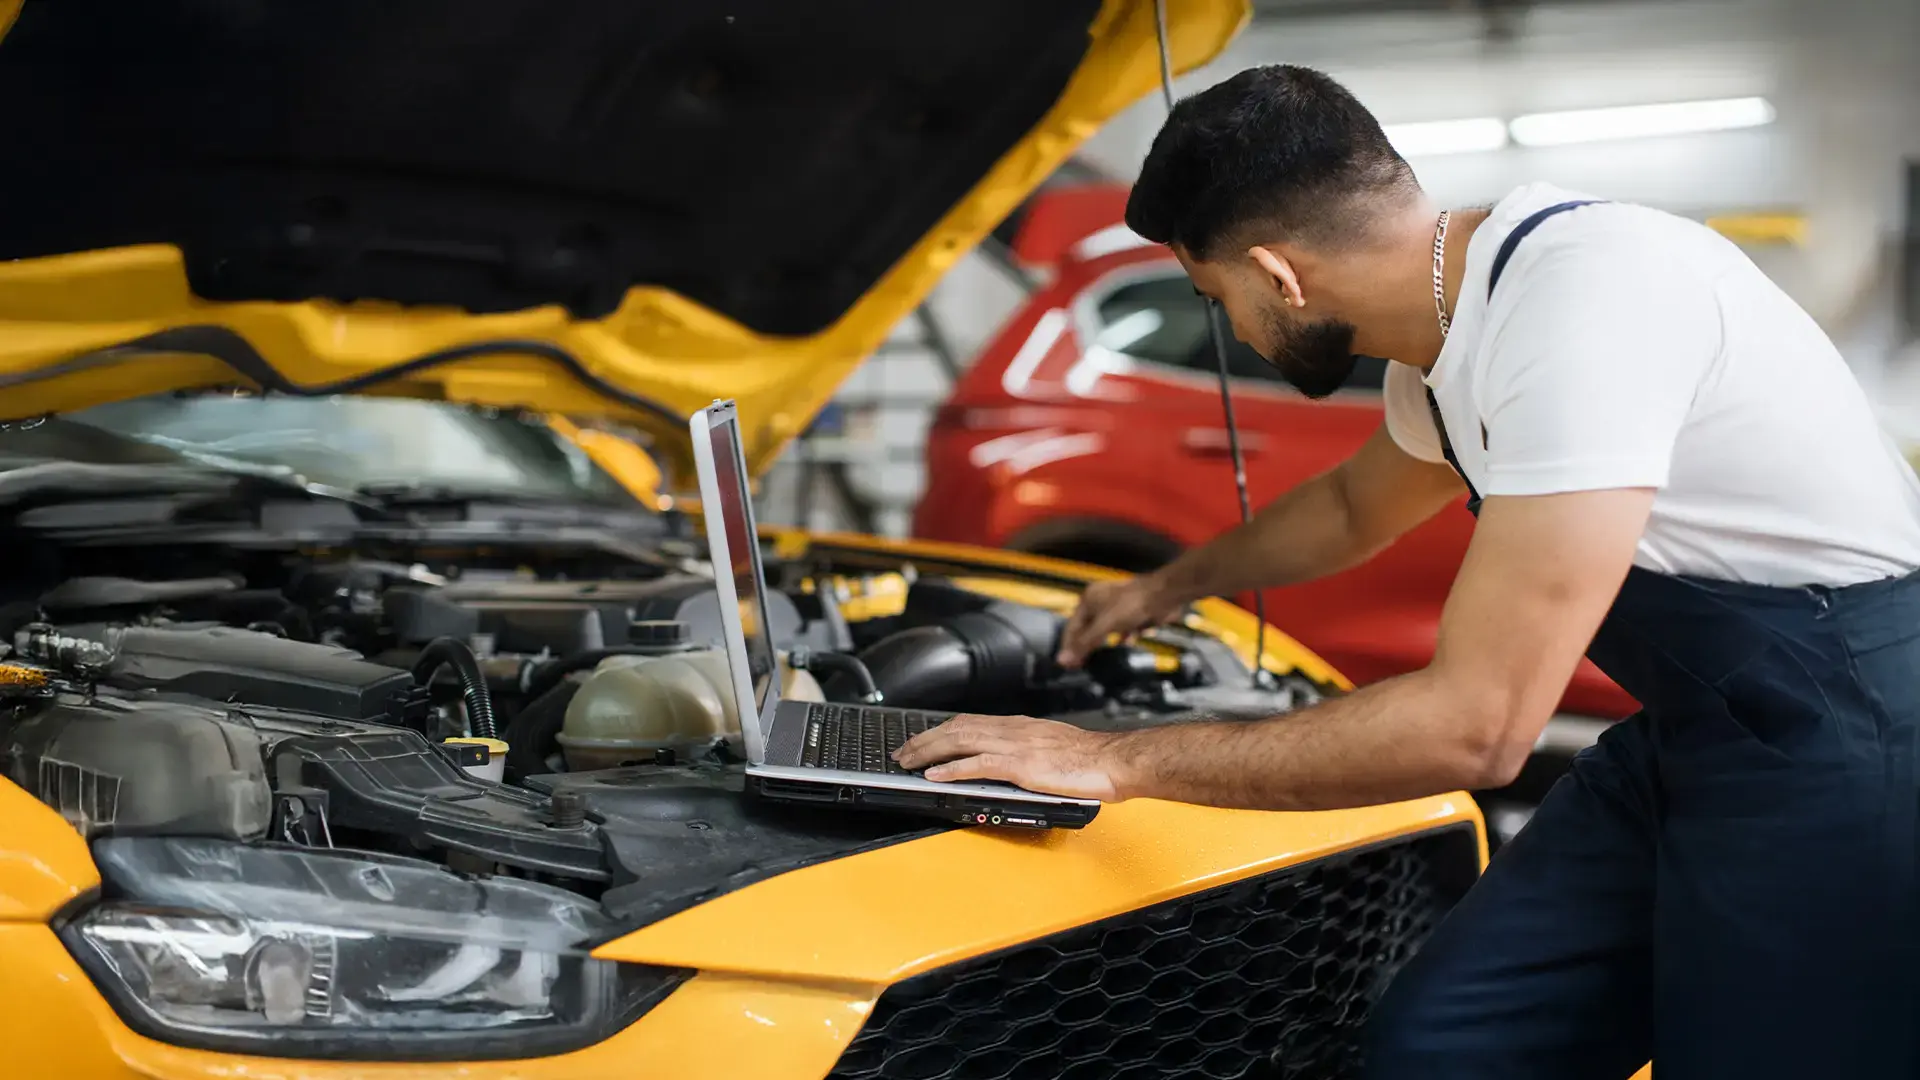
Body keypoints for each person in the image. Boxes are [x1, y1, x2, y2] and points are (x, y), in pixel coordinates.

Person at [895, 65, 1920, 1078]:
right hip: (1703, 737)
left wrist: (1112, 762)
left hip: (1855, 747)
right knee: (1445, 1048)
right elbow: (1349, 509)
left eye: (1218, 299)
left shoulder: (1587, 300)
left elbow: (1478, 727)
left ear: (1279, 274)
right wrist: (1164, 586)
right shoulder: (1451, 333)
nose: (1235, 332)